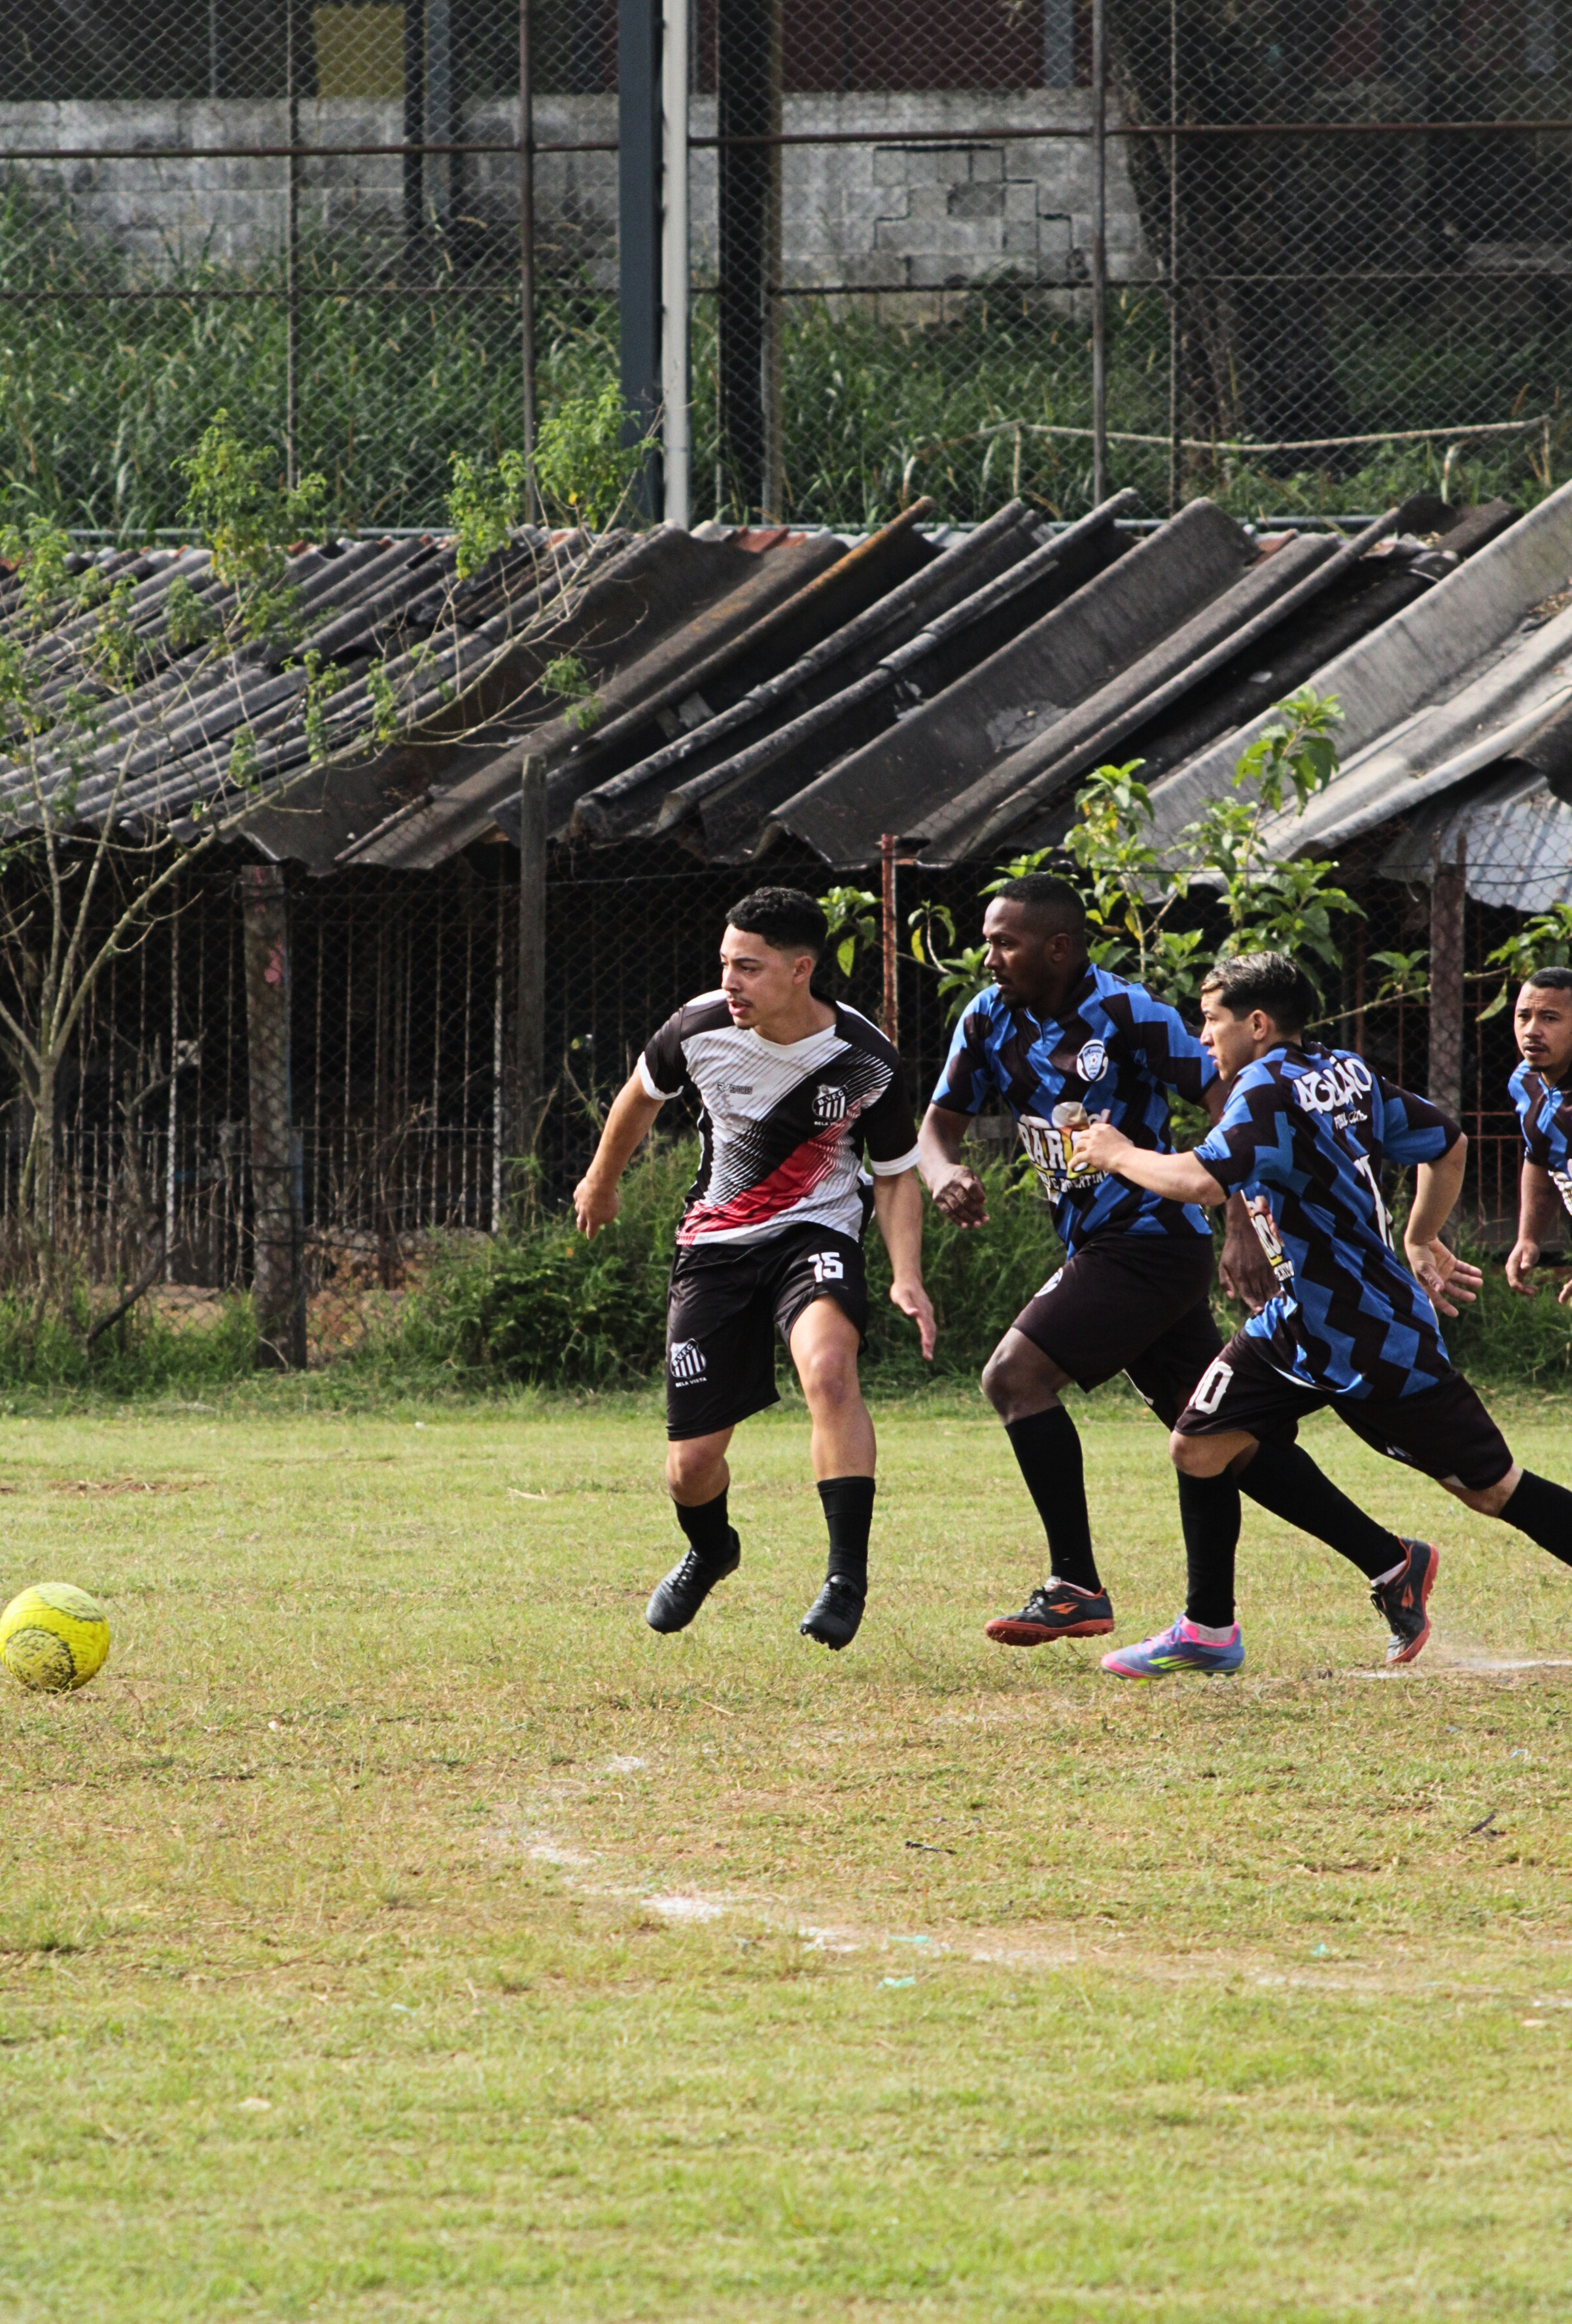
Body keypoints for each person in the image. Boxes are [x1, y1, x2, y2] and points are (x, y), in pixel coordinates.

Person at [1077, 950, 1572, 1678]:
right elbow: (1447, 1142)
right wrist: (1421, 1233)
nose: (1202, 1035)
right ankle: (1207, 1628)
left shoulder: (1266, 1090)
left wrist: (1118, 1151)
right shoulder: (1342, 1069)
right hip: (1296, 1321)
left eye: (1211, 1020)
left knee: (1492, 1489)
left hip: (1372, 1333)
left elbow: (1201, 1182)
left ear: (1256, 1023)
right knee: (1199, 1444)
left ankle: (1386, 1569)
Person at [917, 873, 1278, 1650]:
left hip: (1150, 1239)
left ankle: (1075, 1584)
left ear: (1059, 947)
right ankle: (1389, 1560)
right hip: (1101, 1247)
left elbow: (1227, 1100)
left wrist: (1243, 1223)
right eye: (987, 940)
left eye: (1004, 942)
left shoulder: (1126, 1012)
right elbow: (935, 1127)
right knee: (1213, 1432)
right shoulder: (989, 1019)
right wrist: (942, 1173)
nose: (989, 958)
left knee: (1013, 1377)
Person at [573, 886, 935, 1652]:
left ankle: (845, 1577)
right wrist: (600, 1182)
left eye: (750, 967)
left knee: (830, 1370)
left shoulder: (865, 1058)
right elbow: (639, 1099)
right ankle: (711, 1548)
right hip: (713, 1249)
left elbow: (898, 1173)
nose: (730, 982)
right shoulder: (697, 1026)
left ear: (801, 970)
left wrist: (907, 1273)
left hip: (816, 1233)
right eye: (725, 964)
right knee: (690, 1468)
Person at [1506, 965, 1572, 1306]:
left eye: (1549, 1018)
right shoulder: (1525, 1082)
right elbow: (1540, 1156)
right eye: (1523, 1016)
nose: (1532, 1031)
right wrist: (1528, 1237)